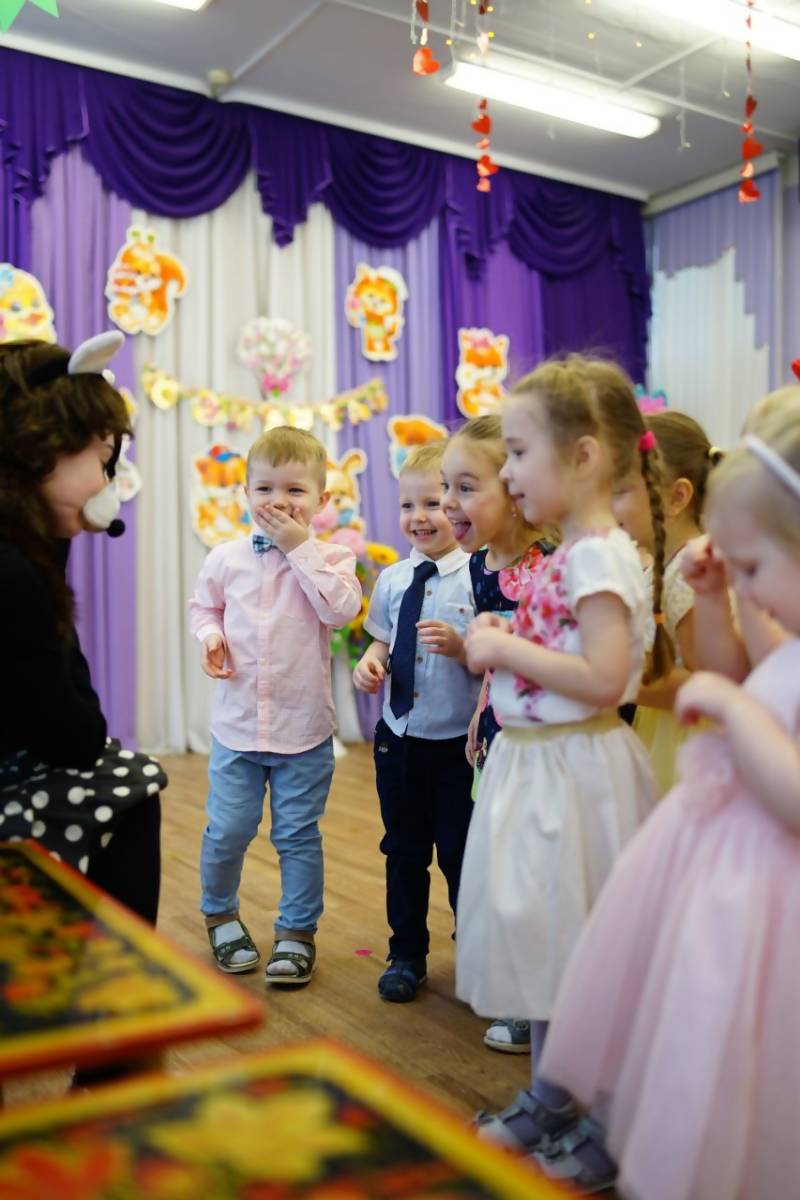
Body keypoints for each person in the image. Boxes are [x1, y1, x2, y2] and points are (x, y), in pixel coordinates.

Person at [526, 408, 800, 1199]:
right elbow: (751, 670)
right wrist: (718, 607)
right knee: (704, 1046)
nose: (745, 585)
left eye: (752, 568)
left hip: (775, 893)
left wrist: (732, 708)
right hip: (729, 875)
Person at [458, 356, 665, 1152]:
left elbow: (608, 678)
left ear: (582, 455)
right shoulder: (576, 548)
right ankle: (552, 1098)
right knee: (546, 944)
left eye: (517, 452)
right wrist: (512, 637)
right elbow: (573, 649)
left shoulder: (599, 555)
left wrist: (500, 651)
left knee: (584, 957)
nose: (507, 473)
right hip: (539, 764)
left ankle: (605, 1130)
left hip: (574, 771)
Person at [0, 334, 165, 926]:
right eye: (100, 460)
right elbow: (74, 736)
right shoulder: (14, 574)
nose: (104, 484)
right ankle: (115, 994)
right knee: (131, 782)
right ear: (40, 446)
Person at [189, 427, 361, 985]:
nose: (279, 502)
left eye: (295, 490)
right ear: (244, 493)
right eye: (265, 489)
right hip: (237, 728)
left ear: (321, 501)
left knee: (297, 836)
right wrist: (210, 637)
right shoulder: (225, 558)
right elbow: (203, 608)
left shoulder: (333, 557)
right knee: (229, 828)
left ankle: (296, 932)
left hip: (302, 730)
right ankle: (220, 914)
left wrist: (297, 550)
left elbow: (340, 612)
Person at [441, 414, 556, 1055]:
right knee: (500, 866)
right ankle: (517, 991)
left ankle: (538, 1004)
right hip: (497, 734)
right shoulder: (481, 562)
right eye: (444, 487)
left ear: (515, 491)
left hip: (541, 741)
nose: (449, 504)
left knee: (533, 873)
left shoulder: (549, 565)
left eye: (465, 487)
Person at [353, 442, 480, 1002]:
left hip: (456, 745)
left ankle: (477, 954)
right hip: (397, 740)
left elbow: (495, 657)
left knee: (459, 854)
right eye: (408, 506)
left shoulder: (476, 578)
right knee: (402, 850)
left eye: (433, 502)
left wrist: (461, 646)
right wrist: (371, 659)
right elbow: (382, 635)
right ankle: (406, 953)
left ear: (457, 505)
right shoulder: (392, 580)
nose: (419, 517)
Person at [612, 411, 722, 794]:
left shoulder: (692, 571)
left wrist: (609, 674)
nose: (610, 507)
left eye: (622, 492)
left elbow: (704, 683)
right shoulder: (663, 566)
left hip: (686, 744)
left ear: (676, 497)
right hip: (658, 729)